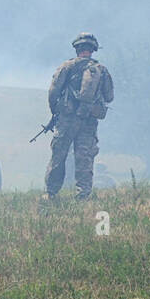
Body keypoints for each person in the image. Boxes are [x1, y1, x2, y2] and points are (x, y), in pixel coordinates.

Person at [43, 32, 114, 200]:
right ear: (93, 50)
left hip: (67, 120)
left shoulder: (66, 67)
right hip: (88, 121)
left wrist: (55, 112)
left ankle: (51, 193)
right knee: (85, 158)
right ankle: (83, 195)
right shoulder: (101, 70)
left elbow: (53, 92)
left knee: (58, 156)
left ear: (77, 49)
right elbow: (109, 96)